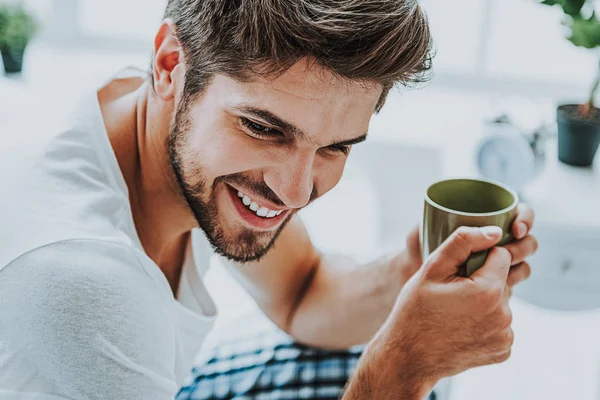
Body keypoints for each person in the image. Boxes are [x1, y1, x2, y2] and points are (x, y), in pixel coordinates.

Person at [0, 0, 538, 399]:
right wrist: (405, 365)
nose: (296, 191)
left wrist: (412, 273)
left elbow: (302, 294)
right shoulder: (81, 276)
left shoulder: (150, 114)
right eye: (263, 128)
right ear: (169, 65)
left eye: (335, 147)